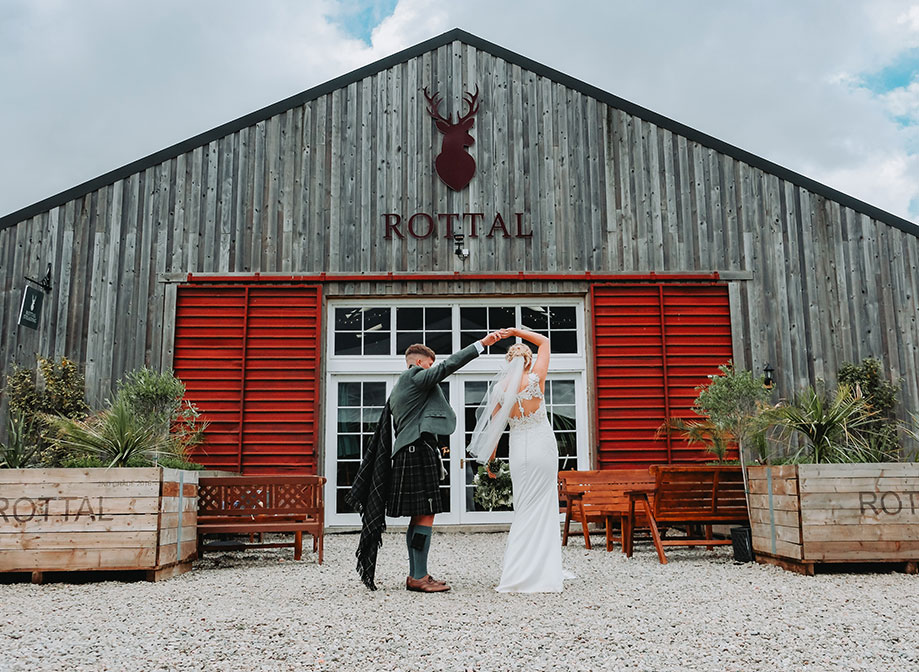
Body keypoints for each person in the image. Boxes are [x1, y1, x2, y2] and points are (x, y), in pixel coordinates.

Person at [349, 330, 503, 592]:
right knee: (426, 514)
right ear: (420, 363)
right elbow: (448, 367)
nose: (432, 371)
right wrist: (481, 344)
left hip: (413, 451)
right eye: (430, 365)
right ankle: (418, 577)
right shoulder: (414, 376)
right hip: (416, 452)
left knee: (420, 516)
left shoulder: (403, 384)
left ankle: (417, 574)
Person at [468, 326, 569, 592]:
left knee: (523, 508)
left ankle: (517, 570)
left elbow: (494, 430)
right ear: (528, 360)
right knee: (544, 505)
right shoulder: (536, 378)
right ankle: (544, 570)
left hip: (518, 450)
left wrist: (490, 463)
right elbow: (545, 341)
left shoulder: (500, 390)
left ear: (508, 362)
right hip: (542, 448)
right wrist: (516, 331)